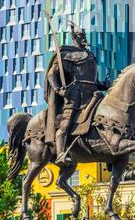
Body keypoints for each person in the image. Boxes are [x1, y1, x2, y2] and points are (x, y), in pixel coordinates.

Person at [44, 22, 110, 166]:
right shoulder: (67, 54)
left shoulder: (90, 55)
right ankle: (61, 153)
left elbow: (92, 79)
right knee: (66, 123)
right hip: (75, 95)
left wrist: (102, 84)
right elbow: (51, 74)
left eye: (84, 35)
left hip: (92, 93)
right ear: (74, 37)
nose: (83, 38)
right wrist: (57, 89)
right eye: (80, 36)